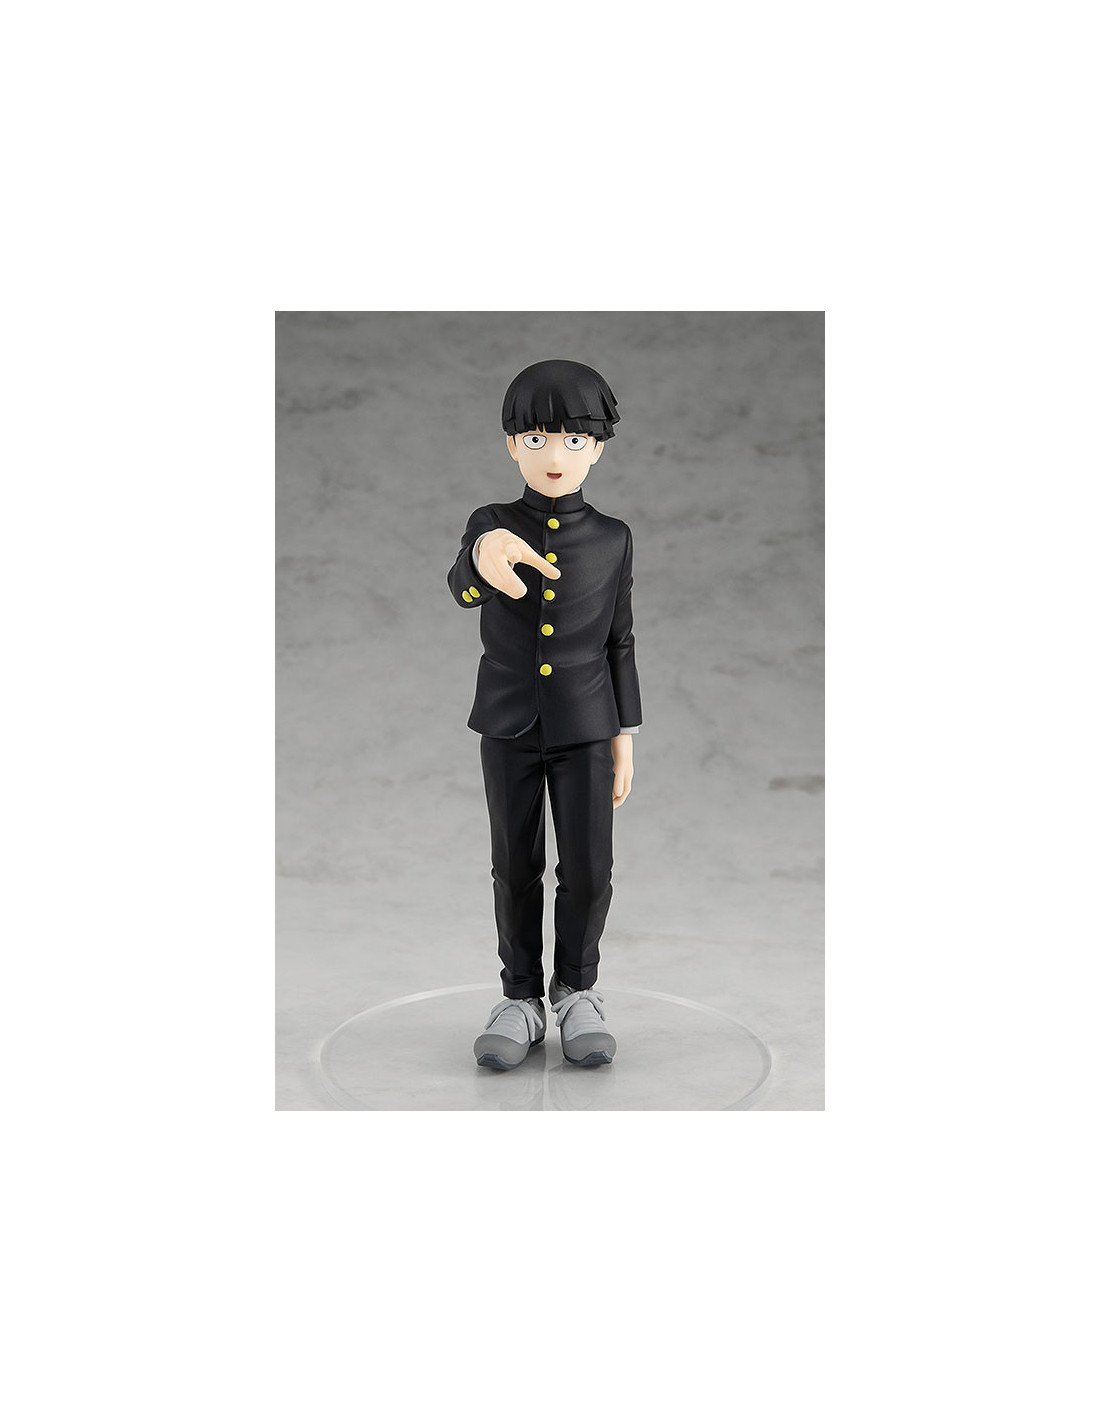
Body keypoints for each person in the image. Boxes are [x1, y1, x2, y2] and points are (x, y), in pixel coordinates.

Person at [446, 359, 642, 1070]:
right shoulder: (492, 523)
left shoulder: (614, 538)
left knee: (589, 867)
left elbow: (620, 640)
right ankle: (521, 997)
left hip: (587, 724)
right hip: (508, 725)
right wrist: (482, 558)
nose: (554, 455)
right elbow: (462, 585)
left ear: (597, 449)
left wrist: (625, 734)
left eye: (573, 439)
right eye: (536, 439)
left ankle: (577, 989)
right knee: (515, 865)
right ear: (511, 445)